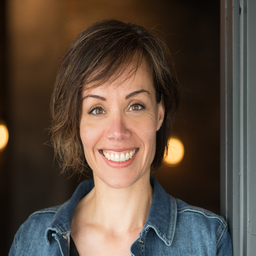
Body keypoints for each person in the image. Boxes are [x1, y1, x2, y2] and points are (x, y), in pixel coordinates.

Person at [9, 19, 232, 256]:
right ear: (76, 122)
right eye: (97, 109)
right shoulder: (32, 240)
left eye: (135, 106)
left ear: (158, 114)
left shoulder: (207, 240)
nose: (117, 131)